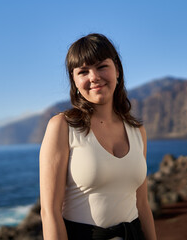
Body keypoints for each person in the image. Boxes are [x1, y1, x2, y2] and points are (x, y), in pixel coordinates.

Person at [39, 33, 157, 240]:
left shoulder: (137, 130)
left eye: (102, 66)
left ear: (117, 71)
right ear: (74, 81)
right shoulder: (62, 127)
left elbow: (142, 204)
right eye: (83, 71)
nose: (94, 77)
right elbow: (50, 212)